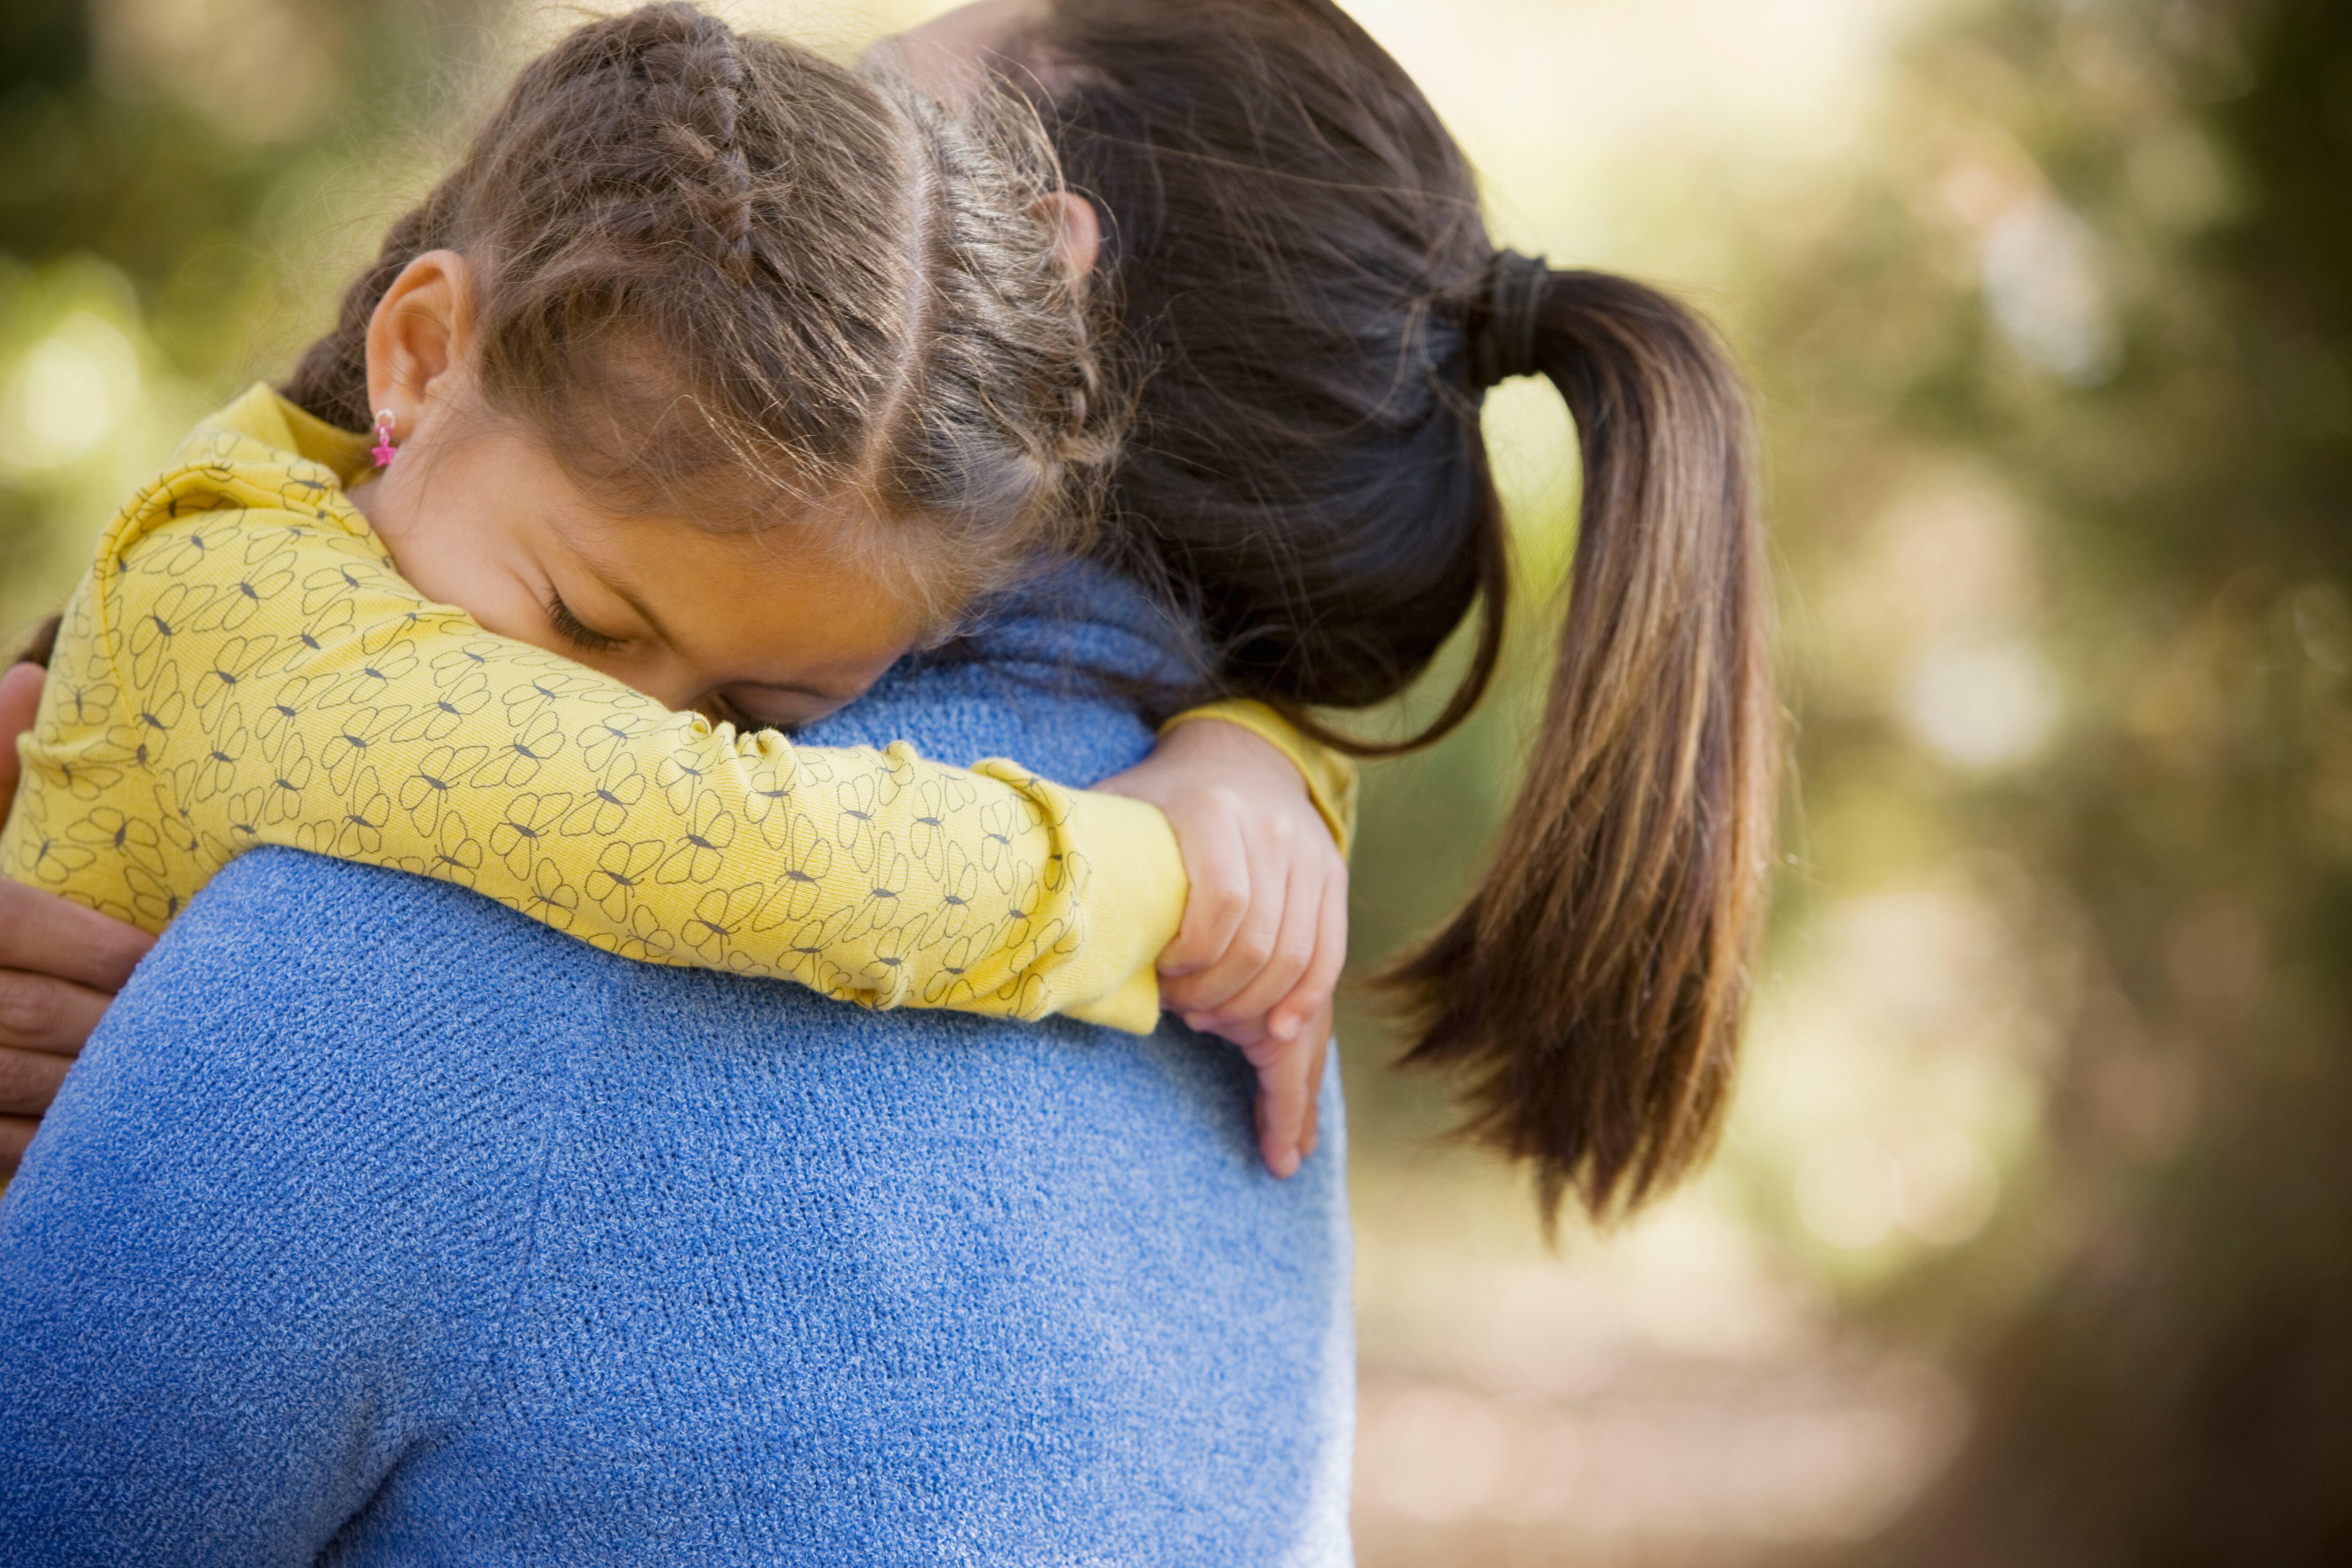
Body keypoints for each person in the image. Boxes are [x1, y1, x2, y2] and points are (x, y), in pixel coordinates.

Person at [0, 3, 1351, 1175]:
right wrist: (1173, 878)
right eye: (587, 624)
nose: (653, 726)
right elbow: (743, 847)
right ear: (418, 355)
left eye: (760, 705)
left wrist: (1260, 752)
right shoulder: (255, 607)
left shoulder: (416, 509)